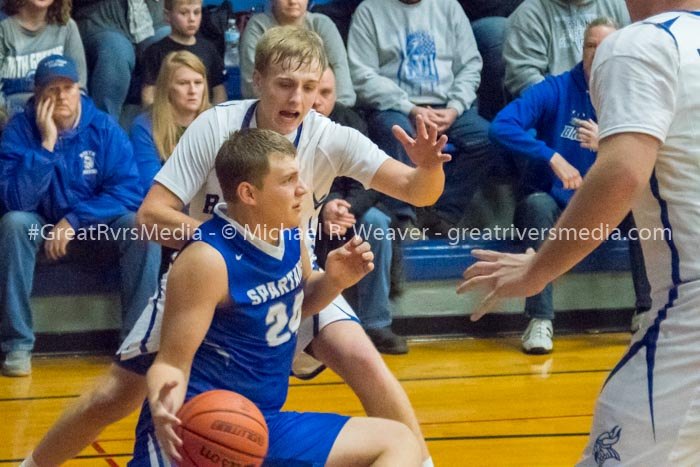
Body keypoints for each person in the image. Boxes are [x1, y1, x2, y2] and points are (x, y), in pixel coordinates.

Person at [23, 27, 440, 467]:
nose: (298, 98)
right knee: (113, 395)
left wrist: (429, 168)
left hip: (291, 269)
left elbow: (418, 190)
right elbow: (150, 216)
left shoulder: (330, 138)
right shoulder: (216, 126)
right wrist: (233, 254)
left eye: (310, 87)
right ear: (257, 80)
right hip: (213, 275)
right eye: (285, 84)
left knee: (361, 357)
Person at [459, 3, 700, 463]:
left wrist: (536, 270)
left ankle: (545, 313)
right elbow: (505, 127)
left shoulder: (642, 43)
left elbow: (621, 175)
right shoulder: (560, 87)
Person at [130, 128, 421, 466]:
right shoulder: (207, 260)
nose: (303, 189)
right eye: (288, 180)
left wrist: (334, 281)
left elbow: (299, 303)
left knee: (400, 441)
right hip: (196, 429)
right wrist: (165, 405)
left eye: (299, 176)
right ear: (248, 193)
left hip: (260, 423)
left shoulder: (289, 232)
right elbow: (170, 364)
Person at [489, 18, 651, 354]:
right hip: (558, 203)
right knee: (536, 206)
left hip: (608, 203)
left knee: (644, 207)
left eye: (605, 46)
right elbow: (501, 126)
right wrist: (550, 155)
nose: (597, 53)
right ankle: (540, 319)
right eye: (591, 45)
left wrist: (608, 144)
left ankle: (646, 312)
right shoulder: (557, 88)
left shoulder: (631, 92)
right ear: (582, 50)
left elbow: (654, 152)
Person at [0, 55, 160, 377]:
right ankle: (17, 344)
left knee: (140, 227)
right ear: (37, 93)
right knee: (14, 224)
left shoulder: (104, 127)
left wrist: (74, 220)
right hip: (40, 228)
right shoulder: (19, 130)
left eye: (68, 88)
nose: (61, 96)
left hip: (92, 228)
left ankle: (135, 344)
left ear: (79, 90)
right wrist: (46, 145)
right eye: (52, 89)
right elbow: (16, 200)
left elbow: (128, 191)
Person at [347, 0, 498, 234]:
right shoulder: (369, 10)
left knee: (487, 137)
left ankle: (442, 215)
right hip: (396, 106)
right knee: (395, 131)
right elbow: (362, 75)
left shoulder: (449, 7)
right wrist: (410, 108)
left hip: (447, 107)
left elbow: (469, 66)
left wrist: (455, 107)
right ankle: (402, 218)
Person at [313, 67, 408, 354]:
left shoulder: (350, 121)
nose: (317, 100)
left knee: (377, 222)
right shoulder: (287, 125)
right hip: (304, 208)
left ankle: (376, 323)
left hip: (349, 207)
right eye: (311, 91)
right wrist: (323, 207)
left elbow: (371, 179)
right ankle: (309, 321)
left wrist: (346, 209)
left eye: (325, 93)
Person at [240, 0, 356, 107]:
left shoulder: (322, 24)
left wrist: (338, 109)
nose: (293, 1)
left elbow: (340, 72)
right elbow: (251, 83)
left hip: (326, 109)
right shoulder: (258, 26)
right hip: (275, 111)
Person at [503, 0, 629, 97]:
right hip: (555, 108)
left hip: (610, 103)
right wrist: (564, 105)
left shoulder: (618, 5)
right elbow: (523, 77)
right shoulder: (529, 14)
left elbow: (630, 63)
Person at [72, 0, 169, 118]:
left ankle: (173, 124)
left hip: (153, 18)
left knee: (171, 48)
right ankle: (105, 124)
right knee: (116, 52)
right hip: (102, 20)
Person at [130, 50, 211, 192]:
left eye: (198, 83)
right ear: (167, 87)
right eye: (183, 83)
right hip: (165, 202)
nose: (192, 90)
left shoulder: (217, 120)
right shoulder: (144, 126)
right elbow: (150, 184)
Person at [0, 0, 87, 117]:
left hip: (58, 117)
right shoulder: (3, 29)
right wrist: (21, 123)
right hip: (10, 120)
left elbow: (79, 88)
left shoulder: (67, 27)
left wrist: (58, 122)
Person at [139, 0, 226, 107]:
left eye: (196, 12)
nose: (192, 19)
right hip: (167, 115)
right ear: (167, 15)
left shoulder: (209, 49)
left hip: (203, 114)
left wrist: (214, 114)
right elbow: (149, 95)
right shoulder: (155, 52)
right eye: (184, 13)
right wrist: (160, 115)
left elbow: (218, 90)